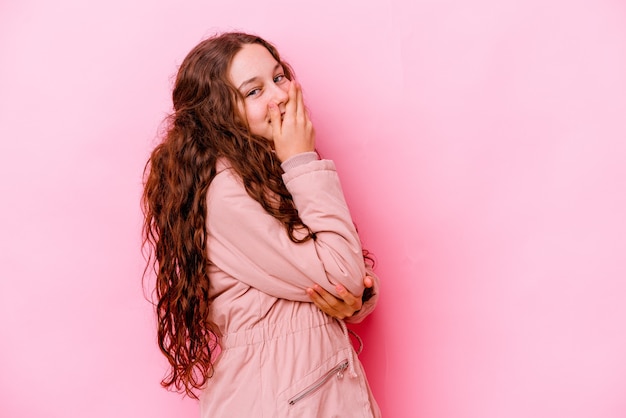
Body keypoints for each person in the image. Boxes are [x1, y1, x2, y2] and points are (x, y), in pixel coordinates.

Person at [142, 31, 381, 417]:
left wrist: (358, 296)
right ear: (219, 113)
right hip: (278, 395)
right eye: (253, 91)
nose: (280, 95)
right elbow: (341, 269)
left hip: (305, 388)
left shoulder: (261, 171)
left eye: (279, 76)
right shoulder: (226, 192)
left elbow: (336, 269)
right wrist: (302, 160)